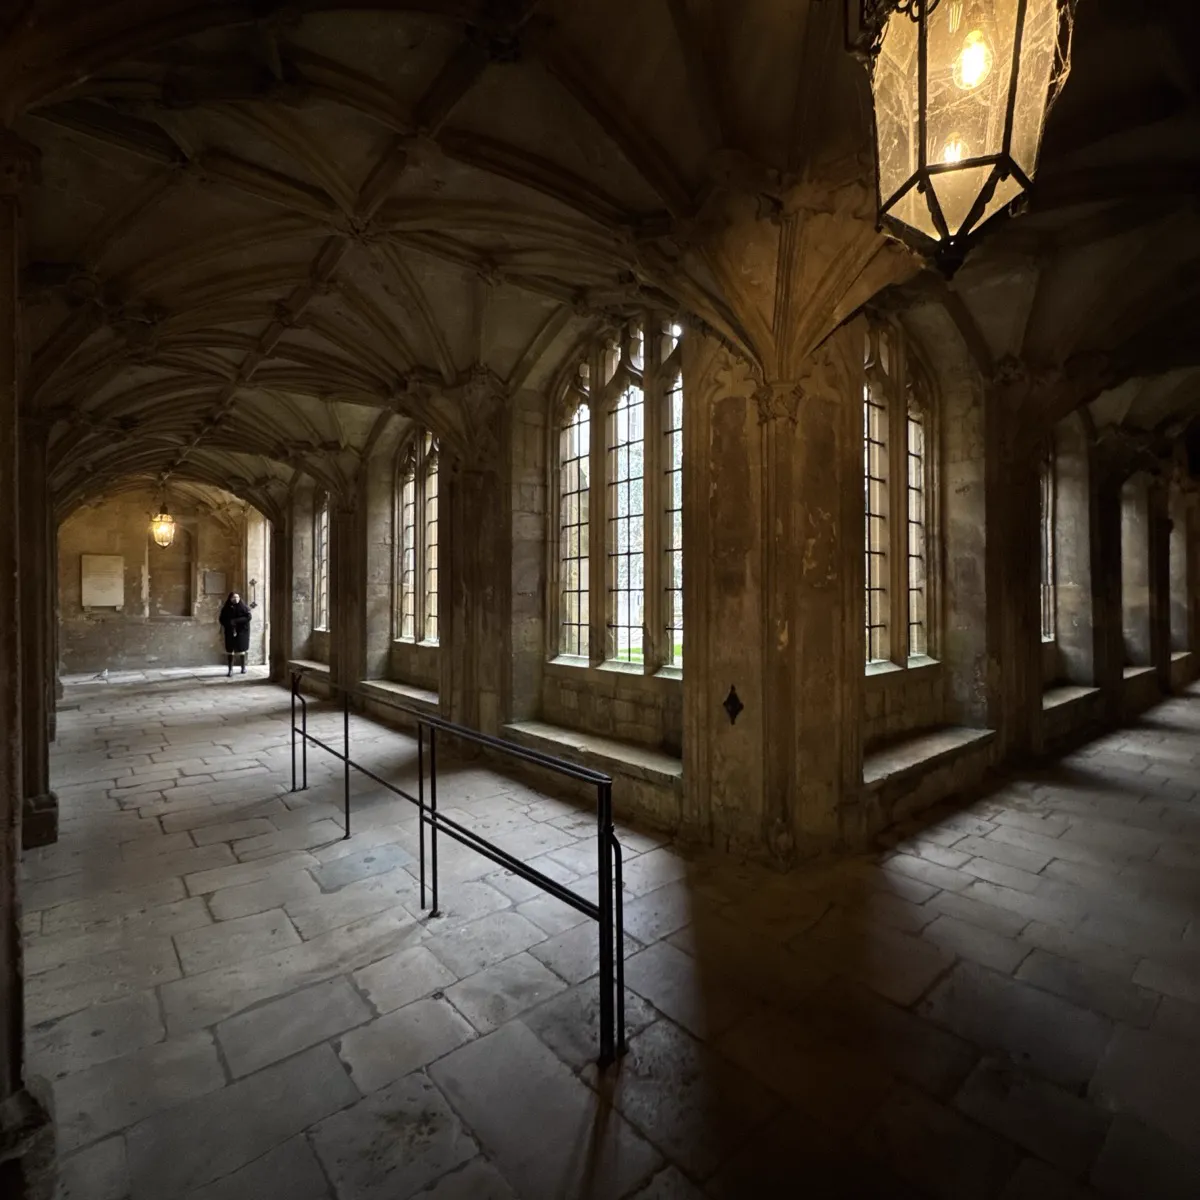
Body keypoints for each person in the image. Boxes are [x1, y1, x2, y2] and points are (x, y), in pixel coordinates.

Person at [218, 592, 252, 676]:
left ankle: (243, 667)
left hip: (242, 631)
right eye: (233, 597)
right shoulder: (226, 608)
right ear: (230, 598)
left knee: (242, 649)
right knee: (230, 650)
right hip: (230, 631)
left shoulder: (244, 607)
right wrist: (229, 623)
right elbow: (222, 619)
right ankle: (230, 670)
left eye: (237, 597)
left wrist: (236, 621)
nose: (236, 599)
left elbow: (248, 617)